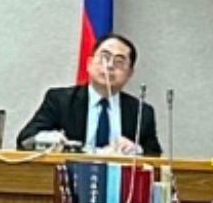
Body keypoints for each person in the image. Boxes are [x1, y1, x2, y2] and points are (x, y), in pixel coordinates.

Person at [17, 33, 161, 156]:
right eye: (104, 58)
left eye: (119, 61)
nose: (110, 65)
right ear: (89, 64)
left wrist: (136, 149)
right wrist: (50, 139)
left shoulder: (141, 112)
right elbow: (25, 139)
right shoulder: (60, 100)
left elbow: (154, 154)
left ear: (130, 73)